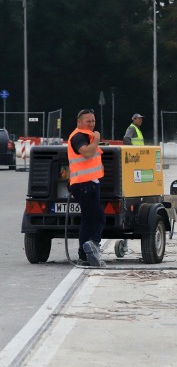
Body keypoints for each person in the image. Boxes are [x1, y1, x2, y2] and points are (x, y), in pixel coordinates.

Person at [67, 108, 106, 267]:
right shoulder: (78, 137)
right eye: (88, 121)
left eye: (93, 121)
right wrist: (96, 139)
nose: (91, 124)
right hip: (85, 184)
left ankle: (84, 255)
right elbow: (87, 153)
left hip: (87, 183)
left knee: (89, 219)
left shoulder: (85, 136)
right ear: (79, 122)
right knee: (98, 218)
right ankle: (92, 244)